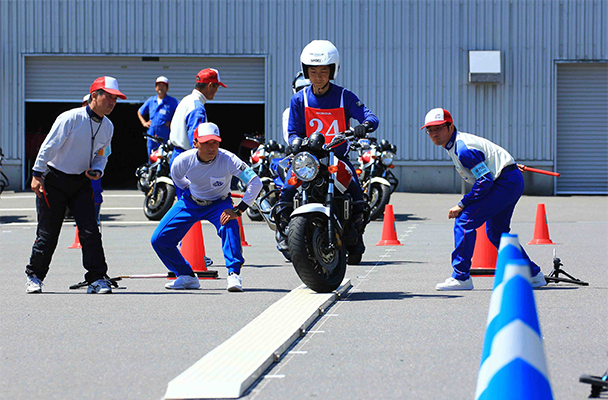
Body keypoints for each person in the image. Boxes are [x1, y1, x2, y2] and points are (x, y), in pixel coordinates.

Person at [420, 108, 547, 291]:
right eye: (430, 130)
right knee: (497, 233)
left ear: (450, 127)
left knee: (464, 221)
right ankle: (533, 275)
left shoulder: (463, 149)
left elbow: (484, 181)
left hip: (504, 182)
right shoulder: (456, 143)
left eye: (438, 128)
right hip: (508, 178)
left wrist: (462, 204)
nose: (433, 133)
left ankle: (461, 277)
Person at [26, 76, 126, 294]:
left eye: (115, 99)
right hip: (54, 180)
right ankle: (34, 276)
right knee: (48, 234)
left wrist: (98, 170)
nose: (112, 102)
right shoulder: (71, 118)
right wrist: (37, 174)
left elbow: (102, 155)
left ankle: (97, 278)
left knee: (90, 232)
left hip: (81, 182)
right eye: (108, 97)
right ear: (94, 96)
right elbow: (48, 146)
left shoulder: (108, 126)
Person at [279, 39, 379, 256]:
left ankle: (356, 233)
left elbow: (370, 116)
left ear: (333, 70)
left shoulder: (344, 96)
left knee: (357, 193)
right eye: (313, 71)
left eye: (324, 71)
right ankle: (286, 231)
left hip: (337, 158)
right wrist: (295, 143)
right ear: (306, 72)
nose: (318, 76)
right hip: (309, 159)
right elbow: (294, 131)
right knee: (287, 188)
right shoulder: (299, 99)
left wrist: (365, 126)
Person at [151, 122, 262, 292]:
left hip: (219, 203)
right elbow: (179, 181)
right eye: (206, 143)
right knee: (159, 239)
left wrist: (238, 210)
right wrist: (191, 193)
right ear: (195, 143)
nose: (212, 147)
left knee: (229, 224)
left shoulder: (229, 159)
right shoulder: (182, 161)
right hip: (191, 202)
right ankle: (186, 276)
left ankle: (234, 274)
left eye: (215, 143)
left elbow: (255, 182)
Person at [169, 68, 226, 173]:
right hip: (188, 161)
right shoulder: (197, 107)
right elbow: (196, 140)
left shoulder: (186, 100)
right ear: (209, 85)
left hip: (178, 156)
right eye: (217, 86)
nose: (216, 91)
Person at [137, 76, 179, 161]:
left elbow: (180, 113)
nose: (161, 87)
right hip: (152, 134)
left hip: (165, 134)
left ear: (167, 88)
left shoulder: (172, 102)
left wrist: (172, 124)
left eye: (163, 85)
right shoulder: (151, 101)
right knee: (151, 156)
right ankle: (152, 173)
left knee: (166, 156)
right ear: (156, 87)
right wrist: (144, 123)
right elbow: (139, 112)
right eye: (159, 85)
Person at [282, 71, 311, 144]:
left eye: (308, 89)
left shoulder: (324, 108)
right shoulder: (289, 112)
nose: (304, 92)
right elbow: (290, 137)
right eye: (300, 89)